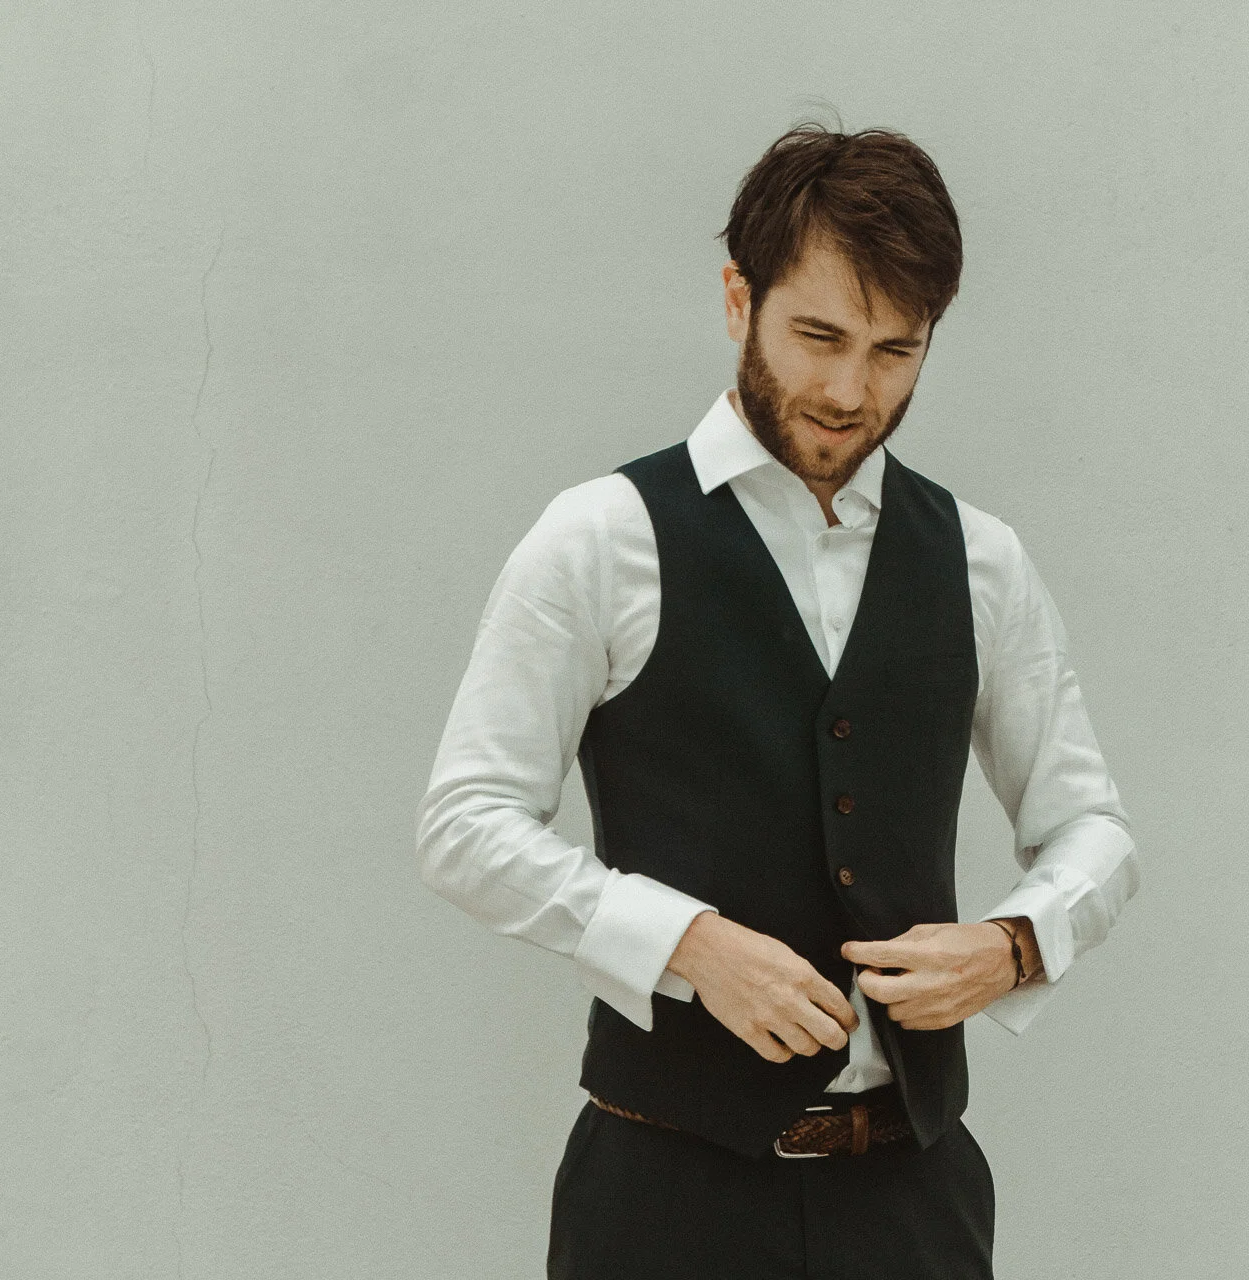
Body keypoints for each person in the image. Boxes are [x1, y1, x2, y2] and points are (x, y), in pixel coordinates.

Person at [416, 121, 1139, 1280]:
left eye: (895, 350)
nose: (851, 391)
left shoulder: (979, 561)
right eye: (819, 336)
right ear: (735, 300)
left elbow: (1090, 825)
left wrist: (1011, 946)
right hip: (662, 1202)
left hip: (912, 1200)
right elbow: (464, 823)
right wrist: (687, 944)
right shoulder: (601, 538)